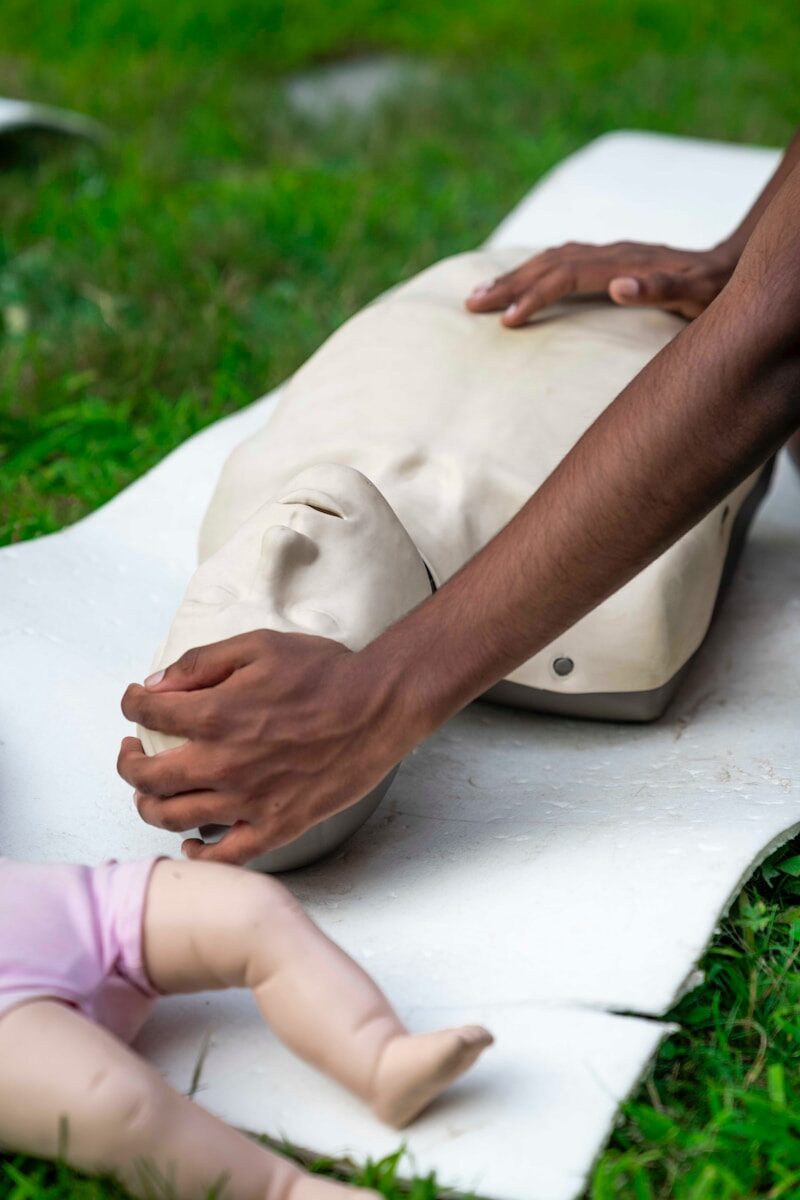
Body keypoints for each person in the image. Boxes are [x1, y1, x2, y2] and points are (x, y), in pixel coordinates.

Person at [119, 128, 800, 867]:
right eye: (309, 614)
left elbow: (773, 345)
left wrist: (386, 693)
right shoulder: (621, 615)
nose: (280, 539)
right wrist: (749, 260)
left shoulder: (257, 483)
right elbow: (773, 335)